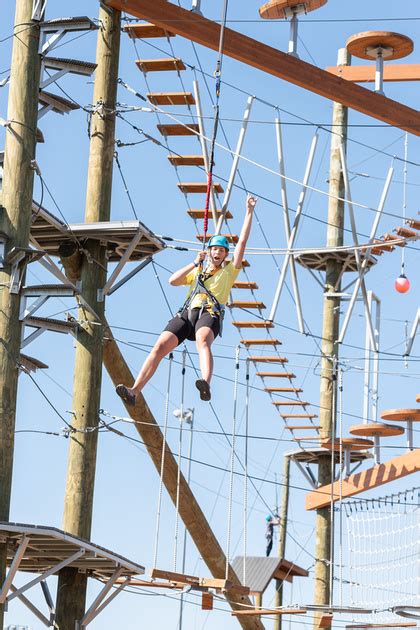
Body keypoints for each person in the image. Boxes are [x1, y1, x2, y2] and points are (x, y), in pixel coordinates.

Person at [116, 194, 257, 405]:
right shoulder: (198, 271)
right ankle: (134, 391)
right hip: (187, 314)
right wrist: (194, 262)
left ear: (226, 255)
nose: (218, 252)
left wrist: (249, 212)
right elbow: (173, 280)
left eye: (221, 250)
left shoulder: (229, 271)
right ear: (209, 252)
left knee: (202, 340)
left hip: (209, 314)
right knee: (159, 347)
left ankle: (205, 383)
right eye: (215, 249)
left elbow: (243, 242)